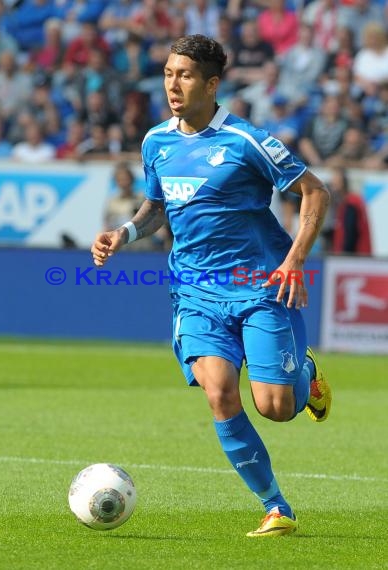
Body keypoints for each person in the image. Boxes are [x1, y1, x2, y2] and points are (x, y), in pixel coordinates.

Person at [91, 34, 332, 538]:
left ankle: (304, 374)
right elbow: (157, 208)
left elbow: (314, 190)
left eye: (184, 75)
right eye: (168, 74)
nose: (172, 85)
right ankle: (276, 506)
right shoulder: (156, 141)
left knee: (276, 407)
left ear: (211, 83)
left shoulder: (246, 141)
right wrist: (124, 233)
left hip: (259, 286)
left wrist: (295, 259)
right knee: (220, 393)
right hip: (196, 292)